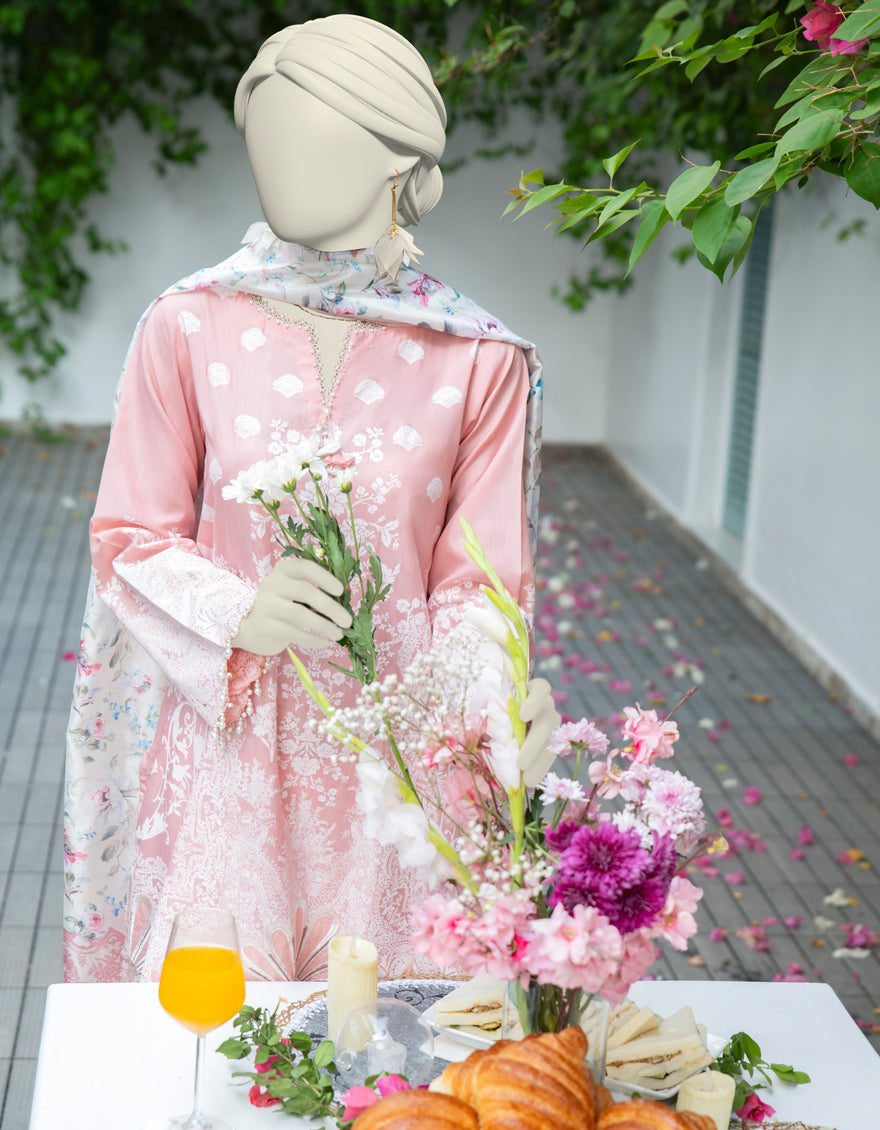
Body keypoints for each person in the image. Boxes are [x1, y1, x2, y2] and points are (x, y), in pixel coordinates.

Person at [64, 14, 548, 984]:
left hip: (397, 764)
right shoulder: (188, 324)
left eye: (309, 137)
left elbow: (479, 583)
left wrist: (491, 713)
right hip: (230, 748)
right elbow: (130, 535)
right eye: (264, 138)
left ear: (397, 154)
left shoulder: (478, 358)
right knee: (213, 1026)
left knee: (388, 1031)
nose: (277, 166)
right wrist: (238, 608)